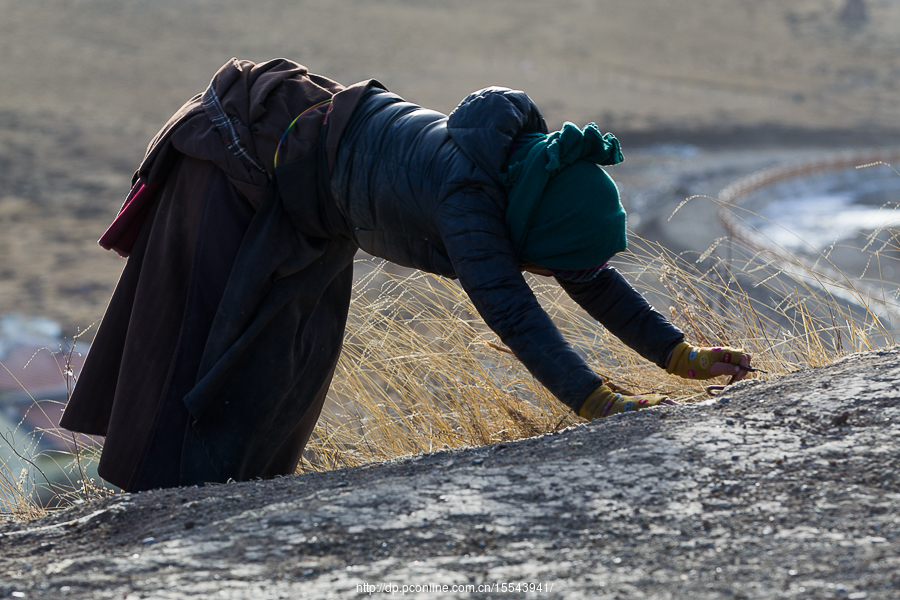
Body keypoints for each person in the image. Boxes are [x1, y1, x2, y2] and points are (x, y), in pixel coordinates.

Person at [60, 58, 752, 493]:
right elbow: (516, 315)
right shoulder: (470, 204)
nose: (556, 274)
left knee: (287, 371)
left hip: (312, 203)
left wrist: (678, 356)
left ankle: (234, 501)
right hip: (240, 170)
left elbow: (590, 276)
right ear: (532, 233)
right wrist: (603, 405)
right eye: (552, 262)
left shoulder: (522, 171)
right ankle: (161, 512)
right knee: (206, 349)